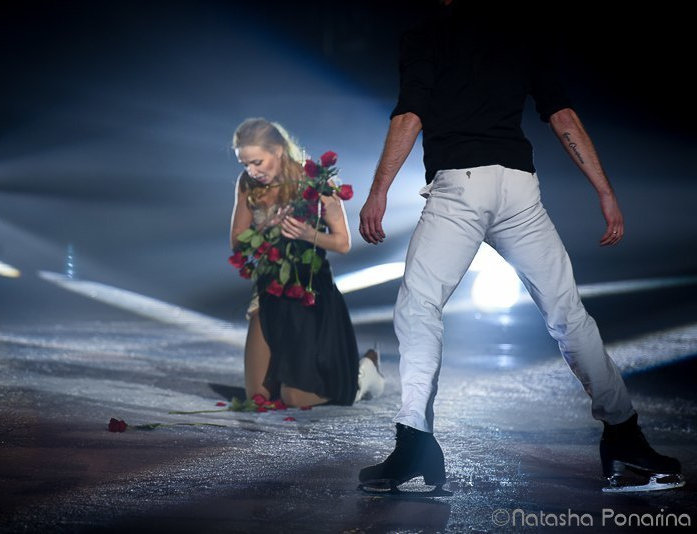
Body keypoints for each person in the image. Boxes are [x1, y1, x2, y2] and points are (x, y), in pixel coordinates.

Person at [356, 0, 684, 493]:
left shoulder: (426, 34)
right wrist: (605, 190)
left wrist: (379, 190)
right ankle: (624, 438)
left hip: (461, 187)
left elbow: (411, 112)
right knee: (568, 315)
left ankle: (415, 442)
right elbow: (561, 113)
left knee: (419, 306)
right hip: (518, 187)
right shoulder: (523, 31)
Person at [230, 117, 385, 407]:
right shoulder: (248, 185)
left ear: (278, 150)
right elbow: (237, 242)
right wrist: (267, 226)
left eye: (257, 162)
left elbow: (342, 242)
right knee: (258, 398)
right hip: (269, 289)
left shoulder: (314, 181)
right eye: (245, 164)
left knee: (295, 396)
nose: (251, 171)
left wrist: (308, 234)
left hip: (308, 294)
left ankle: (363, 374)